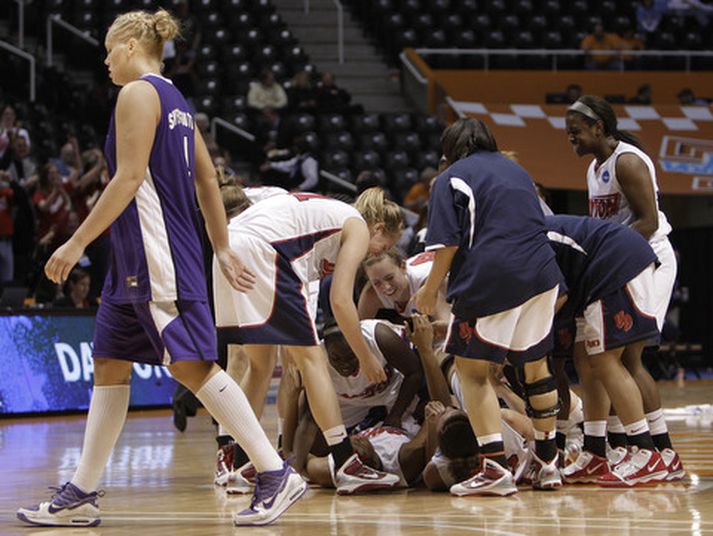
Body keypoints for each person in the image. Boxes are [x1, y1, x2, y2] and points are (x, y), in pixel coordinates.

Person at [17, 9, 306, 528]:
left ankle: (273, 471)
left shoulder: (136, 94)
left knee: (190, 367)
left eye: (109, 50)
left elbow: (128, 180)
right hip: (137, 261)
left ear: (130, 44)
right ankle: (82, 491)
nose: (105, 61)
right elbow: (207, 180)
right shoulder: (178, 103)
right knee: (108, 364)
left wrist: (75, 241)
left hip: (154, 257)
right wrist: (219, 247)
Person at [213, 186, 404, 495]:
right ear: (378, 228)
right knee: (312, 359)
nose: (377, 253)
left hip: (229, 248)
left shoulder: (328, 219)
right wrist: (365, 356)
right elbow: (341, 301)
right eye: (383, 247)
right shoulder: (355, 224)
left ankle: (241, 462)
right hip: (265, 250)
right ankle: (346, 463)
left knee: (259, 367)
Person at [414, 118, 565, 496]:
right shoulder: (517, 170)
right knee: (536, 367)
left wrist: (430, 291)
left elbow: (446, 243)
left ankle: (494, 467)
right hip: (544, 274)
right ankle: (548, 464)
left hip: (493, 277)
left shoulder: (451, 177)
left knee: (473, 371)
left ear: (450, 149)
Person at [565, 95, 682, 480]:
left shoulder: (627, 161)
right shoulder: (595, 168)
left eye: (576, 132)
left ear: (599, 127)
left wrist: (603, 255)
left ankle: (658, 453)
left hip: (648, 261)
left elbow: (648, 221)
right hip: (621, 265)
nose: (571, 140)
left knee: (626, 360)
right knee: (603, 358)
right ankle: (609, 449)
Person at [546, 214, 679, 486]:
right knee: (586, 362)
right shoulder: (526, 237)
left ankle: (646, 450)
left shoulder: (526, 241)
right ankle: (595, 451)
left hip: (615, 263)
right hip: (594, 274)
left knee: (607, 360)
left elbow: (556, 296)